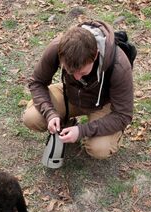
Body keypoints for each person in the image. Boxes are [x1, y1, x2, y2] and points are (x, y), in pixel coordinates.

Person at [23, 20, 133, 160]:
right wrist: (50, 113)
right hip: (70, 95)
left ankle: (111, 136)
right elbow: (37, 82)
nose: (76, 77)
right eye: (70, 71)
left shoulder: (119, 65)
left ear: (95, 55)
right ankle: (65, 124)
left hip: (102, 105)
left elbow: (124, 115)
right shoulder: (58, 48)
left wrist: (82, 131)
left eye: (81, 72)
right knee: (32, 118)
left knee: (99, 149)